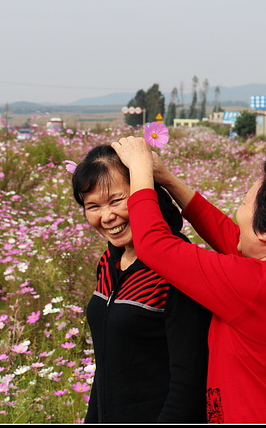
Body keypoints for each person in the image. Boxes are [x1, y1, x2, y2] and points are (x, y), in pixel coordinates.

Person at [111, 136, 266, 424]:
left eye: (244, 204)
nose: (238, 213)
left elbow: (154, 245)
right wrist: (166, 179)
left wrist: (140, 170)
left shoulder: (255, 287)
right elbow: (233, 239)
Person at [70, 144, 211, 423]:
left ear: (146, 195)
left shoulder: (177, 268)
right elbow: (107, 365)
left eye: (116, 200)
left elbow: (190, 381)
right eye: (93, 206)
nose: (107, 216)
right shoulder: (110, 261)